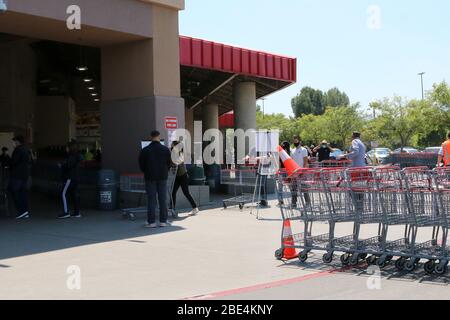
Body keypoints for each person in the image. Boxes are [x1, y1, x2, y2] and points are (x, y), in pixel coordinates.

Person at [139, 130, 172, 228]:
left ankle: (151, 222)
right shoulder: (165, 149)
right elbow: (169, 163)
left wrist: (146, 171)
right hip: (162, 177)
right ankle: (163, 221)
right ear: (158, 136)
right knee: (163, 199)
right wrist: (165, 171)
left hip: (150, 177)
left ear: (151, 137)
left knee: (151, 200)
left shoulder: (145, 150)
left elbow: (141, 164)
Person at [170, 141, 199, 216]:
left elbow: (177, 162)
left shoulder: (181, 153)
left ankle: (195, 208)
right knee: (172, 192)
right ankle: (172, 209)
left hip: (183, 176)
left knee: (186, 192)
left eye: (172, 146)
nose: (171, 147)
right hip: (176, 176)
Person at [8, 135, 31, 219]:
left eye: (14, 141)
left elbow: (14, 161)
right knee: (23, 193)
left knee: (15, 192)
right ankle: (25, 211)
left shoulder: (18, 150)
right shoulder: (26, 149)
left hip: (17, 175)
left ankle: (21, 211)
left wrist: (8, 163)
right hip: (24, 175)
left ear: (18, 141)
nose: (13, 143)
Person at [59, 140, 82, 219]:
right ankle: (77, 212)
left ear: (70, 148)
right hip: (76, 177)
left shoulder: (71, 156)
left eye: (67, 147)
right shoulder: (78, 156)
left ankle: (66, 212)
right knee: (74, 194)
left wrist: (62, 165)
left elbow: (67, 165)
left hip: (70, 178)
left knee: (63, 193)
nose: (66, 148)